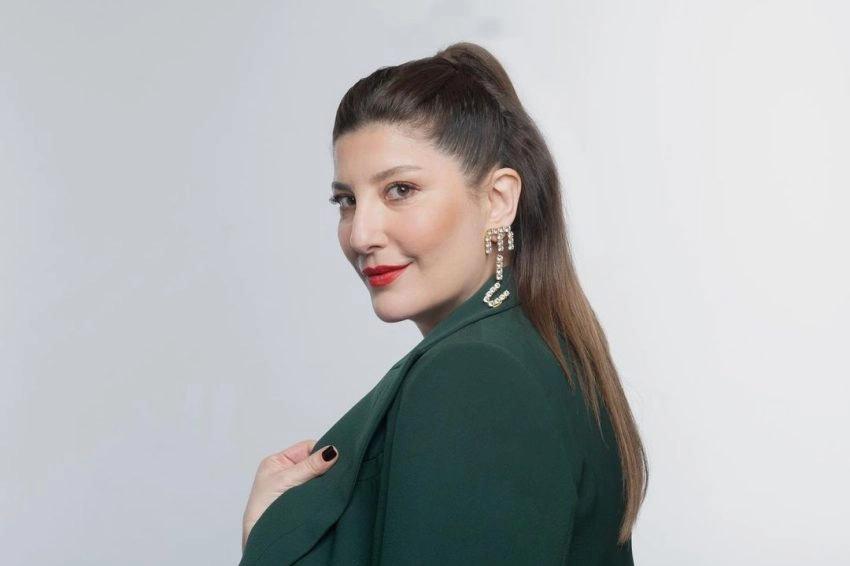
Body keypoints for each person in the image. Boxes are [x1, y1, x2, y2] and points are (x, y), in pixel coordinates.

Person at [239, 41, 648, 565]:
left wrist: (268, 542)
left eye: (400, 190)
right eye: (347, 200)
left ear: (498, 199)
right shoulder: (539, 348)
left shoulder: (475, 374)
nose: (361, 234)